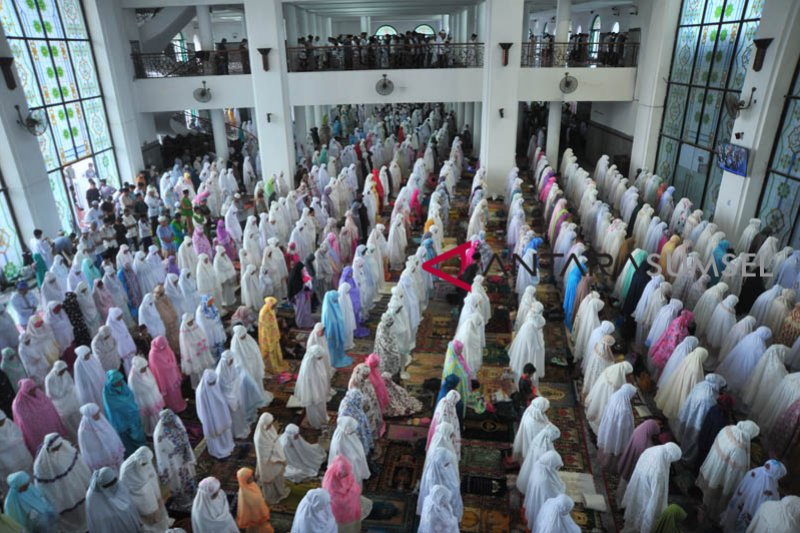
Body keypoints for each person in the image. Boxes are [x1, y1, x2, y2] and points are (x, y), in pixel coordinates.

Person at [697, 420, 761, 517]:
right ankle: (707, 512)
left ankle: (704, 505)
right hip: (721, 475)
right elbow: (734, 473)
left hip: (713, 464)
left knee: (709, 490)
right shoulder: (739, 449)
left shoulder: (728, 429)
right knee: (713, 497)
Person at [621, 442, 682, 533]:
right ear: (670, 456)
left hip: (638, 483)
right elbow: (657, 497)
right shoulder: (659, 471)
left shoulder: (652, 449)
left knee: (634, 507)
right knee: (643, 512)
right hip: (647, 491)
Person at [720, 459, 786, 532]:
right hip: (751, 510)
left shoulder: (754, 471)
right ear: (776, 474)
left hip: (741, 501)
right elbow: (769, 506)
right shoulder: (771, 487)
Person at [153, 408, 196, 509]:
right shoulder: (159, 434)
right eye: (169, 422)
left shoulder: (176, 421)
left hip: (183, 458)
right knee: (178, 482)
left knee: (188, 478)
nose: (171, 424)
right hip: (173, 463)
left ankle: (193, 496)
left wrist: (186, 452)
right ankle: (183, 502)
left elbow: (184, 437)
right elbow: (161, 454)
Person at [119, 446, 169, 532]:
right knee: (148, 520)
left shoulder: (147, 460)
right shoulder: (126, 469)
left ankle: (164, 528)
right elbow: (125, 486)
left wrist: (156, 494)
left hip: (150, 491)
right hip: (138, 498)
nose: (144, 464)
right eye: (143, 463)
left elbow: (152, 477)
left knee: (159, 513)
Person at [13, 379, 68, 454]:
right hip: (35, 430)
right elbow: (23, 422)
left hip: (49, 424)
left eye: (34, 388)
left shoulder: (38, 393)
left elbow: (49, 406)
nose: (33, 391)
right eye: (30, 390)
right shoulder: (18, 403)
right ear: (24, 390)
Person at [85, 466, 141, 533]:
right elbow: (96, 519)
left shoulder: (118, 484)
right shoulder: (92, 497)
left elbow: (128, 502)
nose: (112, 486)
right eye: (108, 485)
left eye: (113, 482)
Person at [196, 369, 234, 459]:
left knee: (224, 432)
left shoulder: (215, 384)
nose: (213, 385)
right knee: (216, 436)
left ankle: (227, 445)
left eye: (214, 382)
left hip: (221, 413)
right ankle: (218, 450)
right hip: (210, 418)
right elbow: (201, 410)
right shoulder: (201, 392)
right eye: (211, 383)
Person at [523, 450, 565, 529]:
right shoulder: (545, 481)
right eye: (556, 467)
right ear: (550, 465)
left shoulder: (540, 464)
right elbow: (555, 497)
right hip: (541, 504)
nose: (557, 469)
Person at [254, 412, 290, 504]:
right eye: (269, 424)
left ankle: (280, 491)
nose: (271, 426)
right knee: (270, 480)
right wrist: (277, 453)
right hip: (269, 463)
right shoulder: (259, 438)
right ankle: (271, 497)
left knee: (278, 478)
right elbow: (265, 455)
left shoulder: (268, 429)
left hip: (275, 458)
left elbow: (274, 439)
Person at [323, 455, 363, 533]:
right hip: (336, 510)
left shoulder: (347, 473)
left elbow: (353, 485)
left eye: (346, 474)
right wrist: (350, 496)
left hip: (349, 508)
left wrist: (352, 494)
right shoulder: (330, 479)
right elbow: (331, 497)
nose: (344, 476)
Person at [147, 335, 186, 413]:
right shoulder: (153, 355)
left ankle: (180, 404)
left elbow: (171, 356)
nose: (164, 348)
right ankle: (173, 408)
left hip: (173, 374)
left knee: (176, 392)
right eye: (162, 346)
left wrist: (172, 365)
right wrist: (169, 366)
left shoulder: (165, 346)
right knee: (170, 394)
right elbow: (158, 369)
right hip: (164, 378)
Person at [236, 467, 274, 533]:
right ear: (245, 479)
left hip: (258, 512)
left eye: (251, 476)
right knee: (256, 528)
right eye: (249, 477)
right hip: (254, 515)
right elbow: (254, 505)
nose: (252, 478)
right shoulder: (245, 493)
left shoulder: (251, 485)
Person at [258, 297, 287, 373]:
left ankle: (277, 363)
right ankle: (270, 367)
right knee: (269, 350)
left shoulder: (271, 310)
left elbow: (273, 322)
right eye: (274, 305)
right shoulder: (263, 313)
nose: (275, 306)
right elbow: (265, 327)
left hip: (273, 333)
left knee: (275, 348)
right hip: (267, 336)